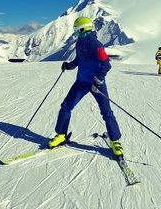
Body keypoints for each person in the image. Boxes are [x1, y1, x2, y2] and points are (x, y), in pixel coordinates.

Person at [48, 17, 123, 157]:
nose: (75, 33)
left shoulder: (96, 44)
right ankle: (61, 135)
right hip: (81, 82)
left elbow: (106, 64)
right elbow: (79, 60)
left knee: (106, 112)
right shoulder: (79, 43)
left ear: (83, 29)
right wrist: (69, 65)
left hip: (97, 84)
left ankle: (115, 141)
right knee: (66, 107)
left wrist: (98, 80)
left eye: (76, 31)